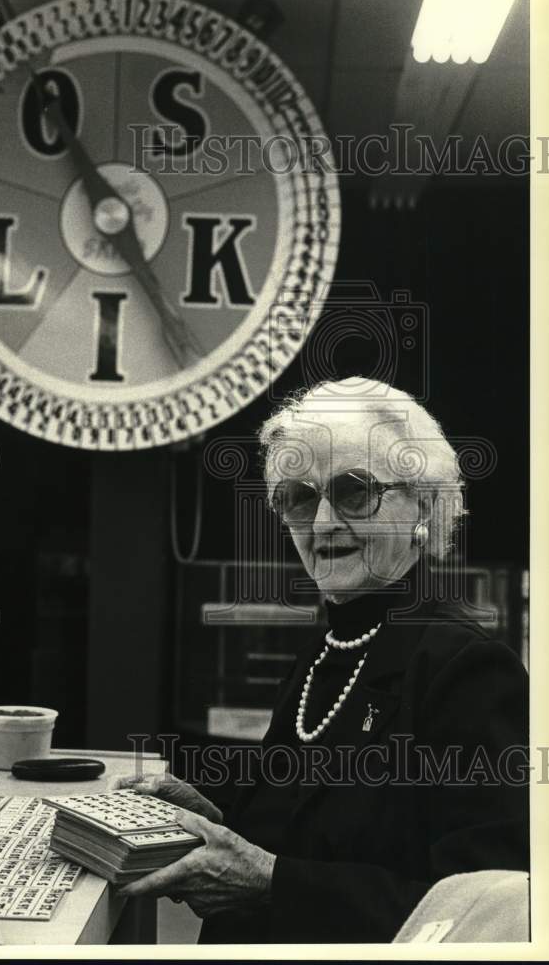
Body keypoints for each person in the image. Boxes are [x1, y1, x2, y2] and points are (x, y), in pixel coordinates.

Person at [113, 377, 529, 943]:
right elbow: (306, 837)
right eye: (300, 497)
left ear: (423, 507)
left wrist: (268, 883)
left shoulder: (468, 671)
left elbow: (488, 914)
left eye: (354, 491)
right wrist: (213, 822)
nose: (324, 522)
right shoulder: (327, 651)